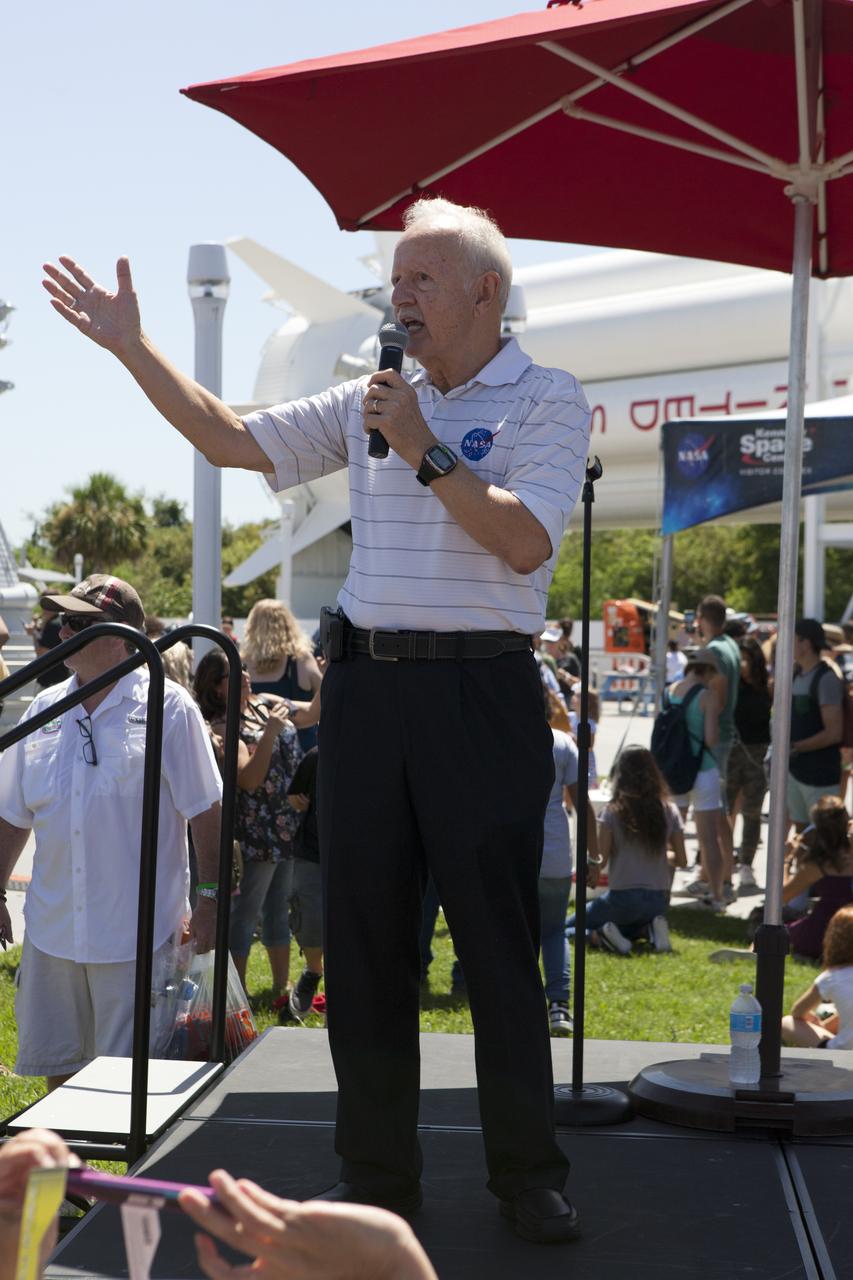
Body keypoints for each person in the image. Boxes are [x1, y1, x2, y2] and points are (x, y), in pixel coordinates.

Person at [43, 195, 591, 1242]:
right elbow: (228, 437)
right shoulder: (372, 400)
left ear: (486, 292)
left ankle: (528, 1172)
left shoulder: (545, 399)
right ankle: (376, 1175)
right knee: (365, 940)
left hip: (482, 692)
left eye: (421, 279)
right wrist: (132, 346)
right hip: (370, 695)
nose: (400, 297)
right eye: (397, 281)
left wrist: (424, 444)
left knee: (496, 945)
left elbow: (522, 543)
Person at [0, 575, 223, 1089]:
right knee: (58, 1077)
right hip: (54, 932)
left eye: (77, 624)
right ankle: (69, 1172)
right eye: (62, 622)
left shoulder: (171, 709)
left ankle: (125, 1173)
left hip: (137, 938)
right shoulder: (43, 708)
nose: (62, 634)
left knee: (131, 1094)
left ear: (124, 636)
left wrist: (210, 899)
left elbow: (207, 810)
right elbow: (13, 813)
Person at [193, 650, 302, 1008]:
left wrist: (328, 671)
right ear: (218, 688)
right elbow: (250, 780)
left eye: (243, 666)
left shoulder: (263, 704)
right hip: (255, 832)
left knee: (280, 908)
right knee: (246, 914)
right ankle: (236, 996)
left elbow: (314, 712)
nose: (245, 673)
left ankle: (280, 988)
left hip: (284, 826)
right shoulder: (222, 728)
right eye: (233, 672)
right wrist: (270, 731)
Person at [567, 746, 686, 954]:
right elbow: (682, 860)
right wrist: (661, 855)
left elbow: (600, 861)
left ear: (620, 774)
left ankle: (599, 936)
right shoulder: (669, 810)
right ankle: (649, 930)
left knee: (563, 928)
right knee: (628, 924)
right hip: (658, 900)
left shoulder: (613, 812)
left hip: (623, 898)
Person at [541, 688, 598, 1035]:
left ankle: (518, 1001)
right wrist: (593, 855)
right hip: (555, 852)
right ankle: (559, 1005)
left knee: (514, 931)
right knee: (553, 930)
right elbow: (583, 804)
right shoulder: (562, 744)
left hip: (512, 850)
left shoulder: (499, 738)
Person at [666, 649, 725, 911]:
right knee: (708, 838)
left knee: (670, 835)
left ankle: (663, 894)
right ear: (707, 671)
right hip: (703, 770)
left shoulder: (670, 691)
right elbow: (711, 738)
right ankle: (716, 895)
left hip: (675, 770)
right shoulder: (707, 696)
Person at [695, 594, 740, 900]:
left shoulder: (713, 650)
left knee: (713, 813)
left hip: (717, 738)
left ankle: (721, 877)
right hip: (728, 735)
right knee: (720, 811)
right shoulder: (731, 644)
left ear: (702, 618)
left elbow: (718, 694)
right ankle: (723, 872)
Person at [242, 599, 323, 752]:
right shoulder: (301, 659)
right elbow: (327, 698)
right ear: (288, 624)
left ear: (252, 625)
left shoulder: (241, 662)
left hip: (254, 753)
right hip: (301, 755)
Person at [788, 618, 845, 831]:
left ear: (805, 643)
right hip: (796, 771)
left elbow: (833, 733)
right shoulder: (794, 674)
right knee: (802, 835)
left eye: (791, 639)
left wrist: (795, 747)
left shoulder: (826, 679)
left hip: (819, 774)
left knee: (825, 837)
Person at [782, 795, 853, 961]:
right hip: (846, 929)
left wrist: (788, 860)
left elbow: (782, 897)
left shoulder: (818, 864)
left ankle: (753, 952)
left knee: (777, 932)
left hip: (824, 932)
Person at [726, 636, 771, 892]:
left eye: (746, 658)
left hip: (757, 752)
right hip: (732, 752)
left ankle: (746, 864)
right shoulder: (731, 685)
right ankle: (722, 865)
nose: (742, 663)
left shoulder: (767, 686)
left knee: (752, 812)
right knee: (726, 810)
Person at [286, 745, 326, 1019]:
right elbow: (294, 796)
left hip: (362, 854)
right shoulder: (317, 755)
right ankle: (313, 971)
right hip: (313, 852)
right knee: (310, 919)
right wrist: (298, 800)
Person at [782, 903, 853, 1049]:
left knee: (787, 1022)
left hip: (844, 1054)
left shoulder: (832, 977)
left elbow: (798, 1012)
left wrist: (814, 1020)